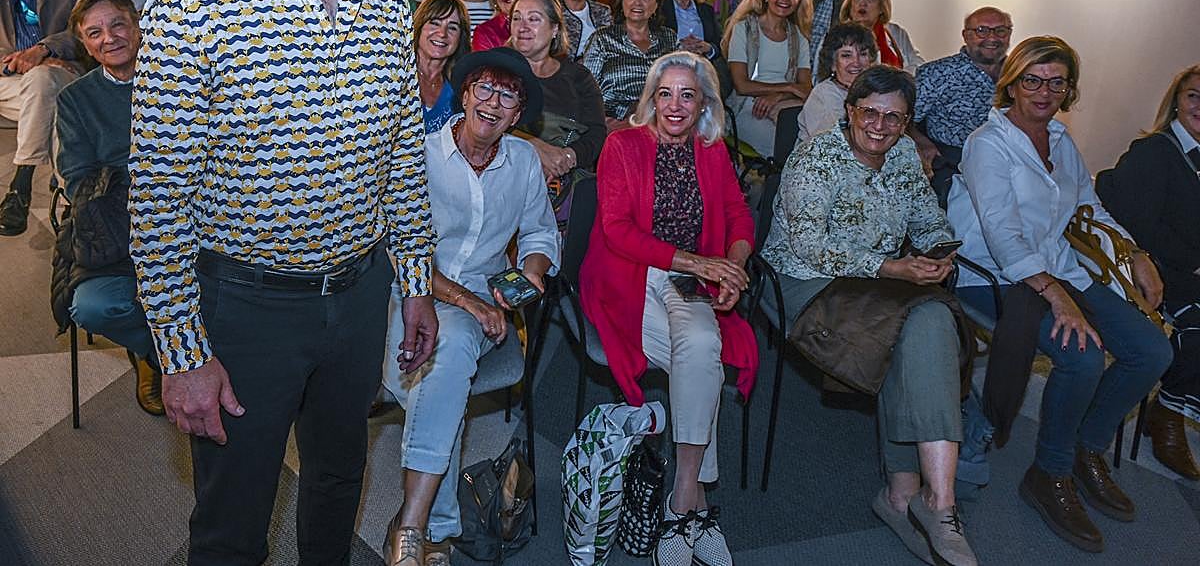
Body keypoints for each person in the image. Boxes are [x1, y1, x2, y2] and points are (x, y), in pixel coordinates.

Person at [129, 0, 438, 566]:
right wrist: (182, 349)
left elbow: (403, 155)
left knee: (337, 485)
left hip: (360, 294)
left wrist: (414, 281)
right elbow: (159, 198)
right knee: (234, 520)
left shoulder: (383, 4)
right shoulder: (191, 3)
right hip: (245, 306)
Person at [947, 36, 1172, 553]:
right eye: (1032, 80)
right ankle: (1047, 474)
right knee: (1084, 358)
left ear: (1068, 89)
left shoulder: (1061, 139)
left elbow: (1089, 206)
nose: (1043, 92)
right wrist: (1056, 295)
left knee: (1152, 351)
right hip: (995, 275)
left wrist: (1135, 252)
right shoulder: (988, 142)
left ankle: (1085, 448)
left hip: (1057, 267)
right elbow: (1002, 234)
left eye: (1056, 82)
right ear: (1013, 82)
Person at [762, 65, 979, 566]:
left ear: (907, 123)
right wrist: (892, 267)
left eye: (895, 118)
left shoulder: (903, 154)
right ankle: (907, 495)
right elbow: (811, 247)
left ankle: (931, 501)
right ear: (849, 111)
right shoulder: (817, 158)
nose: (880, 127)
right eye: (870, 113)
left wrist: (938, 248)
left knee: (928, 323)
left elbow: (926, 214)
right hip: (807, 284)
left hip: (879, 283)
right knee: (918, 325)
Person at [379, 47, 558, 566]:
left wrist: (530, 274)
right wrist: (470, 304)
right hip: (411, 294)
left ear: (518, 114)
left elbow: (542, 233)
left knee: (450, 350)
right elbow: (397, 246)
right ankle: (432, 524)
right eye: (485, 88)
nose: (494, 102)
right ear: (466, 91)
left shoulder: (522, 161)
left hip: (485, 304)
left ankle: (410, 522)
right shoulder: (420, 151)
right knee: (450, 351)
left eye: (508, 96)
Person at [581, 51, 755, 566]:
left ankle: (680, 499)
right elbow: (616, 230)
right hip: (627, 274)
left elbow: (738, 214)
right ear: (651, 99)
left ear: (704, 103)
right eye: (665, 94)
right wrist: (704, 263)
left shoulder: (712, 149)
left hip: (687, 277)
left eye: (687, 94)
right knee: (699, 364)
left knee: (700, 348)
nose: (675, 105)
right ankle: (696, 506)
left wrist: (734, 265)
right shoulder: (623, 145)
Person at [52, 0, 161, 414]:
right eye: (94, 32)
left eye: (117, 24)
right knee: (93, 307)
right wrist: (138, 191)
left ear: (136, 24)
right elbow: (78, 182)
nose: (109, 38)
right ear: (83, 42)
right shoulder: (75, 100)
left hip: (196, 222)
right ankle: (159, 355)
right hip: (118, 230)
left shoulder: (176, 79)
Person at [1095, 64, 1200, 480]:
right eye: (1194, 95)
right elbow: (1140, 226)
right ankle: (1169, 414)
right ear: (1177, 99)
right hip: (1153, 269)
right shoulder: (1155, 151)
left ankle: (1171, 406)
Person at [0, 0, 84, 237]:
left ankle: (19, 187)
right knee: (57, 107)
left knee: (43, 82)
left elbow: (81, 36)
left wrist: (44, 50)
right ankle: (70, 203)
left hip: (55, 72)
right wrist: (16, 60)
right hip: (6, 80)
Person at [509, 0, 607, 204]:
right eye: (516, 18)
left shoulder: (578, 77)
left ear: (555, 29)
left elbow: (597, 131)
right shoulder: (497, 71)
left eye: (533, 19)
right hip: (508, 178)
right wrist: (534, 146)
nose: (522, 26)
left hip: (569, 181)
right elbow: (484, 126)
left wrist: (567, 158)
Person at [911, 7, 1013, 205]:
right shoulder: (937, 73)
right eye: (982, 30)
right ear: (966, 36)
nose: (991, 38)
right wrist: (922, 143)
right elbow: (903, 119)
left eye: (1000, 30)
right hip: (952, 166)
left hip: (1008, 163)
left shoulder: (1020, 75)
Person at [722, 0, 814, 158]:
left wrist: (778, 95)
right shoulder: (743, 30)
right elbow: (742, 85)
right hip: (749, 108)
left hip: (786, 106)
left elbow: (805, 88)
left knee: (811, 145)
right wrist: (788, 87)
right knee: (786, 149)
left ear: (799, 0)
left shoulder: (800, 38)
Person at [582, 0, 678, 130]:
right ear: (622, 2)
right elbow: (587, 90)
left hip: (661, 120)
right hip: (614, 122)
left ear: (655, 6)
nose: (637, 2)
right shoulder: (602, 38)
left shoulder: (669, 38)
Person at [796, 22, 877, 143]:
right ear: (833, 64)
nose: (856, 62)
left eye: (863, 54)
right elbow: (837, 144)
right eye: (846, 55)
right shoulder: (824, 95)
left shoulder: (873, 93)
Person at [661, 0, 729, 96]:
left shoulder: (706, 10)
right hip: (670, 67)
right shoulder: (661, 8)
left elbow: (719, 44)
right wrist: (679, 48)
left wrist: (708, 48)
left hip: (702, 68)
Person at [838, 0, 923, 74]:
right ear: (849, 5)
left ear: (882, 7)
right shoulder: (837, 35)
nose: (862, 3)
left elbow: (918, 63)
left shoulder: (895, 32)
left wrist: (899, 79)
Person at [414, 0, 471, 135]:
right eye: (435, 23)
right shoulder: (395, 76)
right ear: (419, 26)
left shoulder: (463, 87)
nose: (442, 34)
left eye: (452, 28)